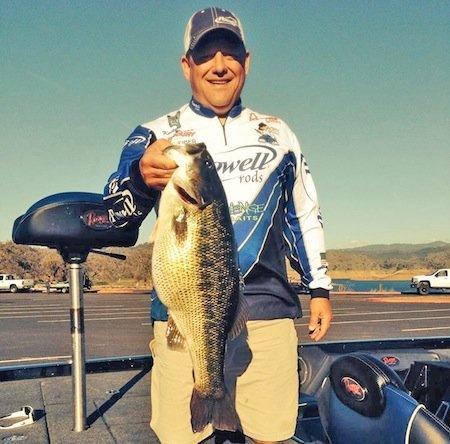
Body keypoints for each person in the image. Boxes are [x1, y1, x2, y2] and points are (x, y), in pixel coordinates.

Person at [103, 7, 333, 444]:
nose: (220, 65)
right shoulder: (153, 135)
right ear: (186, 65)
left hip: (267, 311)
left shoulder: (278, 133)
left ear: (247, 62)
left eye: (230, 53)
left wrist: (319, 288)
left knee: (272, 434)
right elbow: (116, 217)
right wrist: (137, 177)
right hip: (183, 314)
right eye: (206, 54)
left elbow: (303, 212)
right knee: (180, 436)